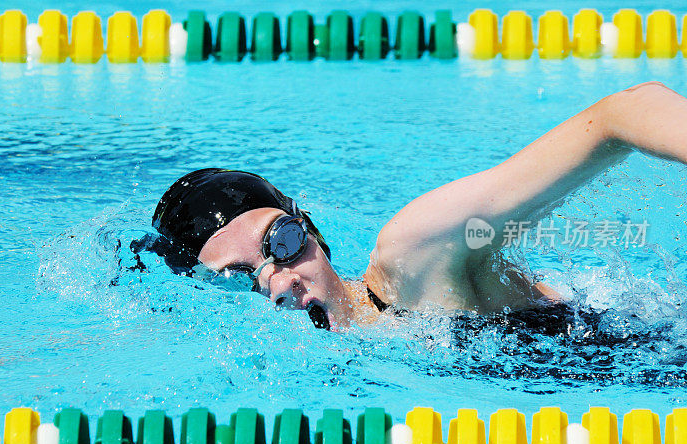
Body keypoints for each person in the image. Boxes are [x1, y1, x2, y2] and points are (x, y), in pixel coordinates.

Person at [140, 82, 687, 331]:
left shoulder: (415, 258)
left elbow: (624, 114)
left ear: (310, 229)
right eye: (242, 278)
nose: (280, 282)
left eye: (279, 244)